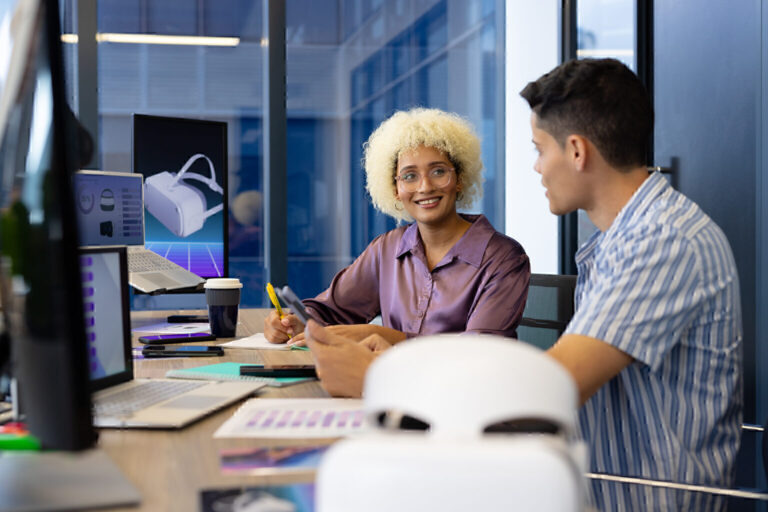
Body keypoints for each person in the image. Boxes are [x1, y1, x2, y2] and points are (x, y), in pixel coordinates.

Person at [305, 59, 743, 511]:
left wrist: (379, 378)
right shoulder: (620, 240)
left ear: (576, 152)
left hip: (635, 500)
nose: (536, 167)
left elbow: (552, 386)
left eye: (539, 149)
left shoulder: (659, 242)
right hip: (582, 481)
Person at [264, 108, 530, 350]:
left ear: (459, 179)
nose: (425, 187)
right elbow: (329, 311)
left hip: (460, 398)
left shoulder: (503, 258)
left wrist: (390, 338)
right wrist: (292, 322)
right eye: (410, 176)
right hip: (386, 390)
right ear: (395, 189)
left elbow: (482, 352)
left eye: (438, 171)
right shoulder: (387, 248)